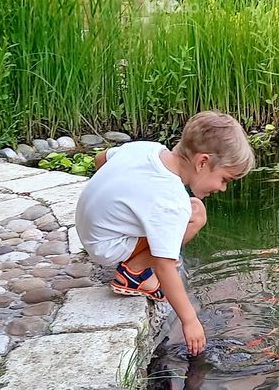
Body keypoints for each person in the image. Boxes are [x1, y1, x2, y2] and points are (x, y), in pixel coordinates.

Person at [75, 111, 255, 354]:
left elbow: (100, 159)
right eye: (224, 179)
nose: (222, 188)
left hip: (89, 228)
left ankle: (134, 262)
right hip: (108, 246)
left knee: (194, 209)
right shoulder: (171, 200)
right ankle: (135, 273)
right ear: (202, 162)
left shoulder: (147, 149)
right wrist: (190, 321)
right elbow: (164, 265)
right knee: (195, 217)